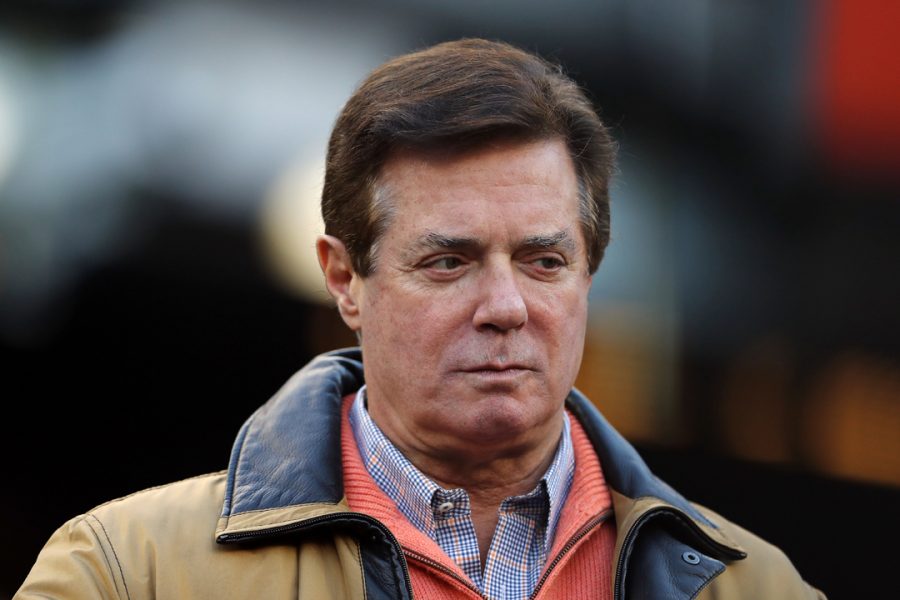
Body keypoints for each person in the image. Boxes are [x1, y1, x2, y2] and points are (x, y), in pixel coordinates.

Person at [17, 38, 824, 600]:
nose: (506, 308)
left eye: (544, 262)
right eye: (449, 262)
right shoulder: (129, 575)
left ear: (590, 276)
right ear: (345, 280)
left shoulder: (757, 588)